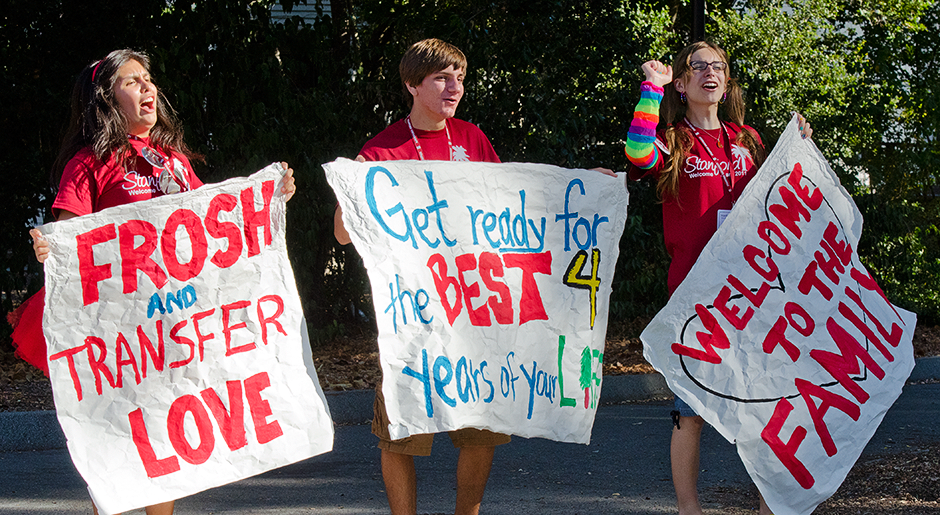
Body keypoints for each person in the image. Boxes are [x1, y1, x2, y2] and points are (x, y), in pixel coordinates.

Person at [27, 48, 296, 515]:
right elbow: (70, 238)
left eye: (148, 79)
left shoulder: (174, 160)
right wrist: (52, 248)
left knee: (163, 445)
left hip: (172, 326)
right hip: (121, 334)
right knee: (118, 444)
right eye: (131, 82)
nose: (147, 87)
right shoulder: (89, 164)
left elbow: (212, 230)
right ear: (106, 100)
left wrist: (268, 199)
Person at [623, 41, 812, 515]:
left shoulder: (746, 139)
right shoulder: (673, 140)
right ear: (682, 85)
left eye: (718, 66)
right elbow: (637, 153)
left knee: (767, 405)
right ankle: (690, 509)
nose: (710, 73)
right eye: (697, 67)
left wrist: (801, 150)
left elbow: (781, 198)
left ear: (726, 83)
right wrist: (652, 87)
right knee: (691, 414)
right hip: (696, 296)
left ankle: (771, 504)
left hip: (756, 293)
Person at [334, 38, 508, 515]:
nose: (455, 87)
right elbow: (343, 234)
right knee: (400, 432)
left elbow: (512, 206)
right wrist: (354, 190)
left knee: (482, 429)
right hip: (410, 313)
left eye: (460, 78)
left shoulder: (473, 139)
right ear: (412, 84)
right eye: (442, 78)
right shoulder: (382, 150)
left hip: (473, 308)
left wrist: (581, 189)